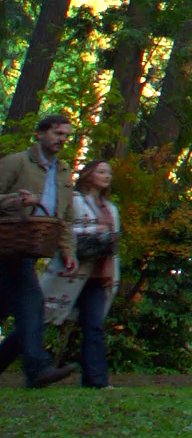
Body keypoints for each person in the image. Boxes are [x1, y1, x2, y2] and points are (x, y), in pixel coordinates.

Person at [0, 115, 77, 388]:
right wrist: (17, 201)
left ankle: (35, 368)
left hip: (27, 249)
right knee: (32, 307)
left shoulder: (64, 172)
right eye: (57, 133)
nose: (62, 139)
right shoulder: (16, 162)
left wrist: (67, 250)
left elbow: (64, 217)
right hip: (6, 244)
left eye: (66, 135)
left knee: (25, 312)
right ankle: (37, 369)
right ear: (39, 134)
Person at [43, 159, 118, 389]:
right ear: (88, 175)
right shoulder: (74, 202)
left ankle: (96, 381)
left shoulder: (110, 208)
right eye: (101, 171)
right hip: (71, 273)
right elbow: (63, 230)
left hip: (98, 276)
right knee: (41, 318)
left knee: (94, 326)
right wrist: (95, 232)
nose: (107, 176)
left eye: (109, 173)